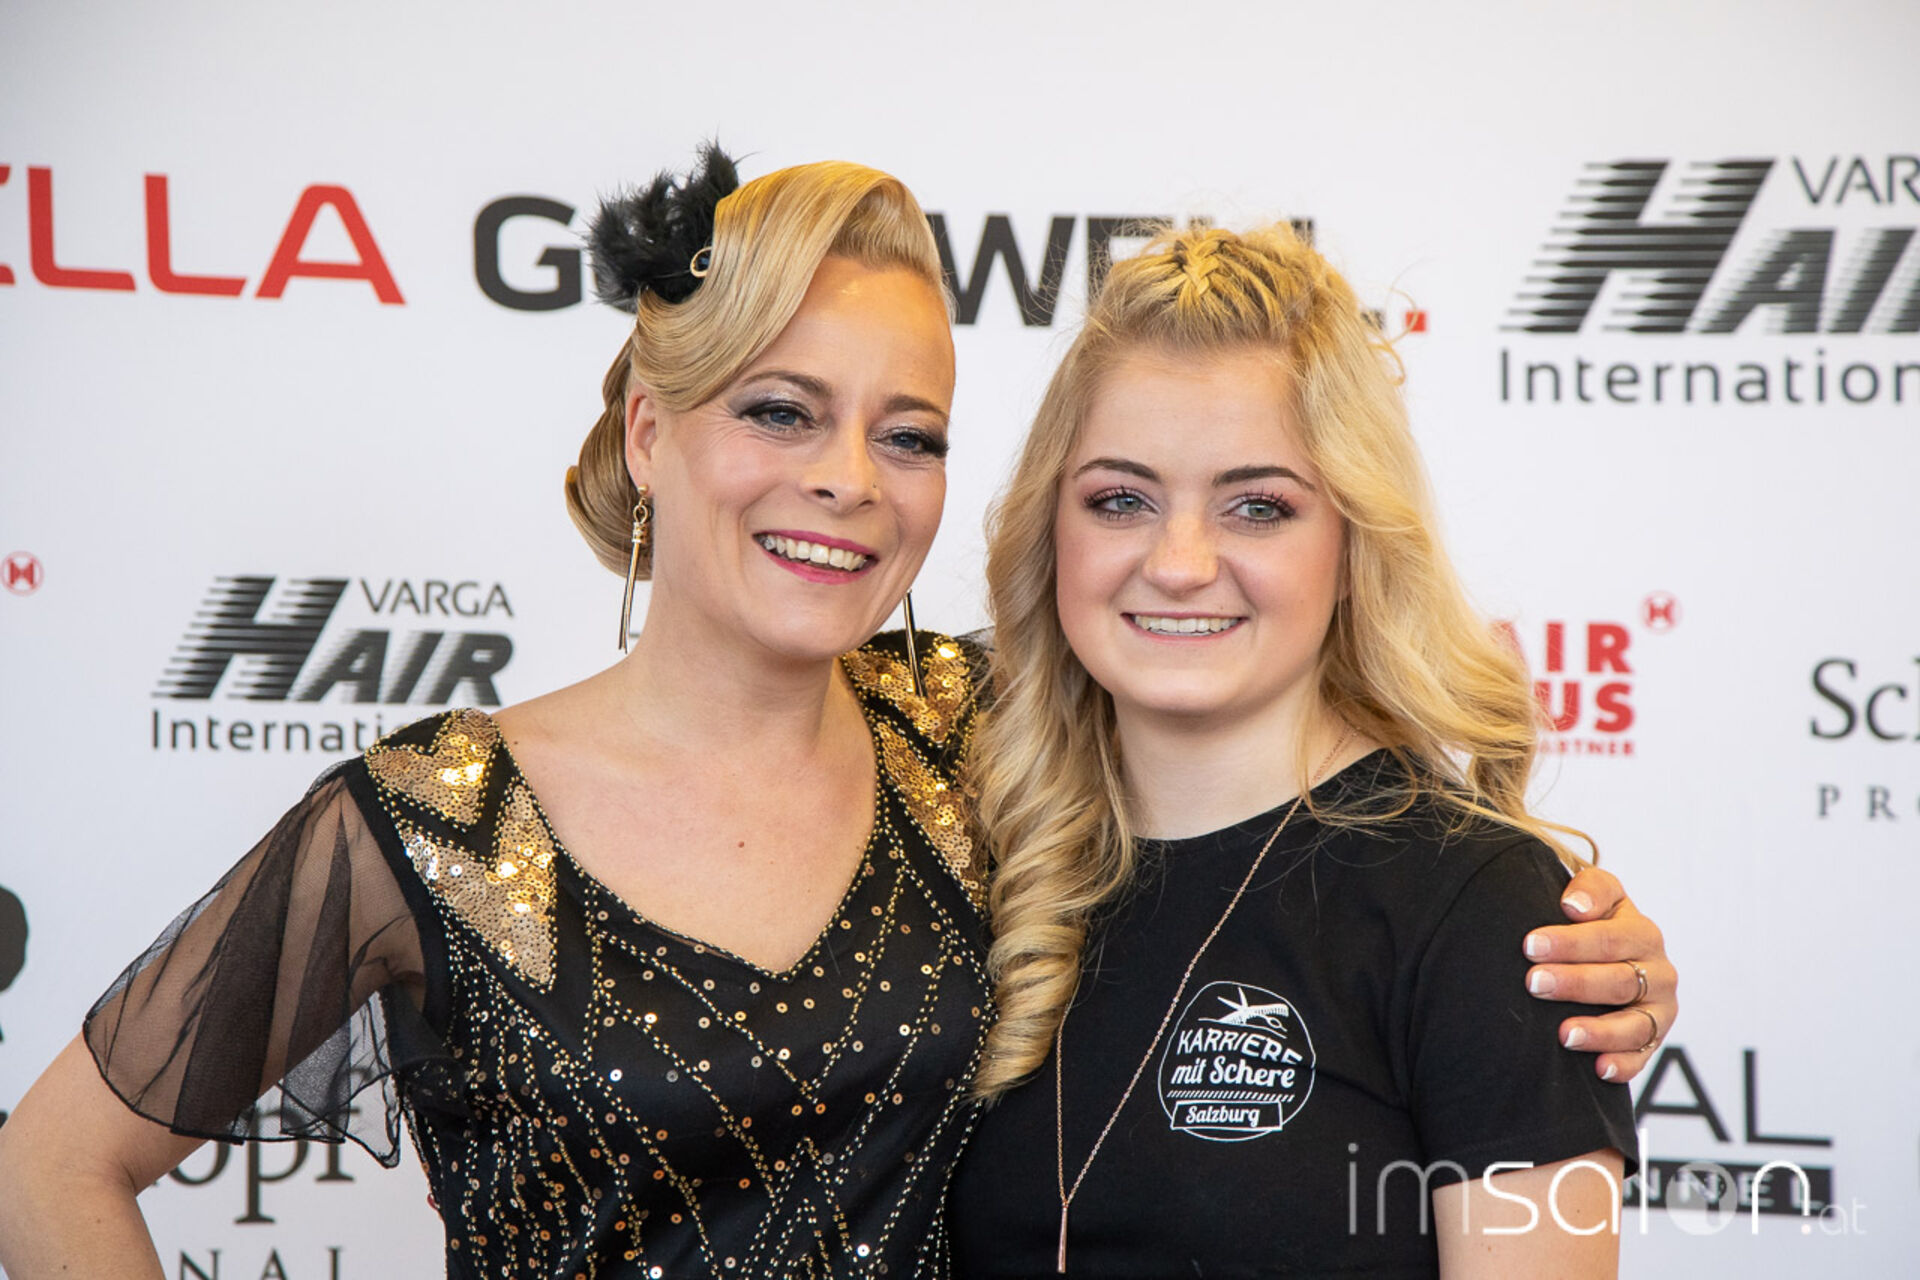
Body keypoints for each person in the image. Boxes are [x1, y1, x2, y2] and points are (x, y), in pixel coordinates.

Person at [0, 152, 1670, 1279]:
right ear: (650, 433)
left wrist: (1556, 946)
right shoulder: (432, 822)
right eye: (783, 411)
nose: (847, 482)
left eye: (909, 434)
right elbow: (47, 1168)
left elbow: (1276, 789)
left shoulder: (972, 735)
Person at [950, 222, 1652, 1276]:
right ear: (1051, 526)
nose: (1180, 563)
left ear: (1353, 539)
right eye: (1121, 499)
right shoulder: (959, 830)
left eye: (1258, 507)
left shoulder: (1481, 906)